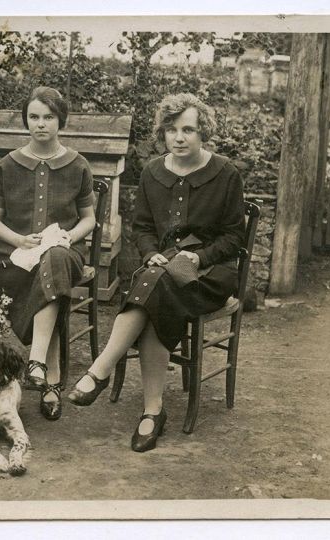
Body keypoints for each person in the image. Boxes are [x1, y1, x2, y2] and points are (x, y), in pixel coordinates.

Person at [66, 93, 245, 452]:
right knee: (156, 285)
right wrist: (151, 254)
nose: (179, 137)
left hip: (210, 273)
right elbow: (142, 228)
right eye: (171, 130)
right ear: (162, 133)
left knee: (152, 288)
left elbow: (234, 237)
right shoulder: (152, 172)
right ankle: (152, 412)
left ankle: (101, 370)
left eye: (188, 129)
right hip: (162, 270)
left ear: (203, 131)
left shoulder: (225, 174)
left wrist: (199, 257)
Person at [0, 86, 96, 420]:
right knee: (52, 279)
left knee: (57, 259)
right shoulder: (9, 164)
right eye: (34, 117)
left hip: (65, 254)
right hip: (16, 257)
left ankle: (38, 363)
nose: (41, 124)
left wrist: (68, 236)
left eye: (48, 117)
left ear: (60, 120)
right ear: (26, 121)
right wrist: (18, 240)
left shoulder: (77, 165)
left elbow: (89, 219)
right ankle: (51, 377)